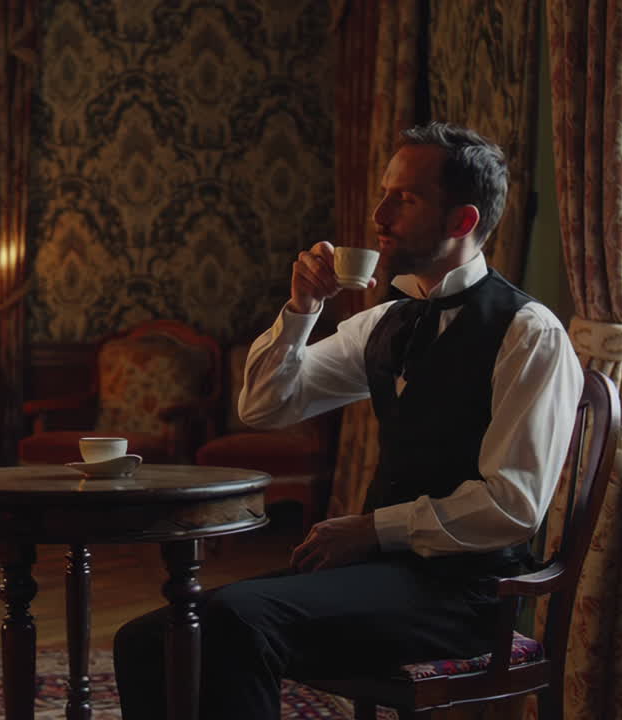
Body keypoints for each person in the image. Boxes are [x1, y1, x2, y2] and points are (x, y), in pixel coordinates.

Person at [113, 122, 583, 719]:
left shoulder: (528, 333)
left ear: (462, 221)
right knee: (147, 639)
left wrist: (370, 529)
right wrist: (301, 309)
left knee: (232, 623)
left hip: (460, 597)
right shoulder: (386, 321)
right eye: (384, 193)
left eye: (404, 198)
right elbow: (265, 406)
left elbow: (512, 507)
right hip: (377, 578)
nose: (379, 213)